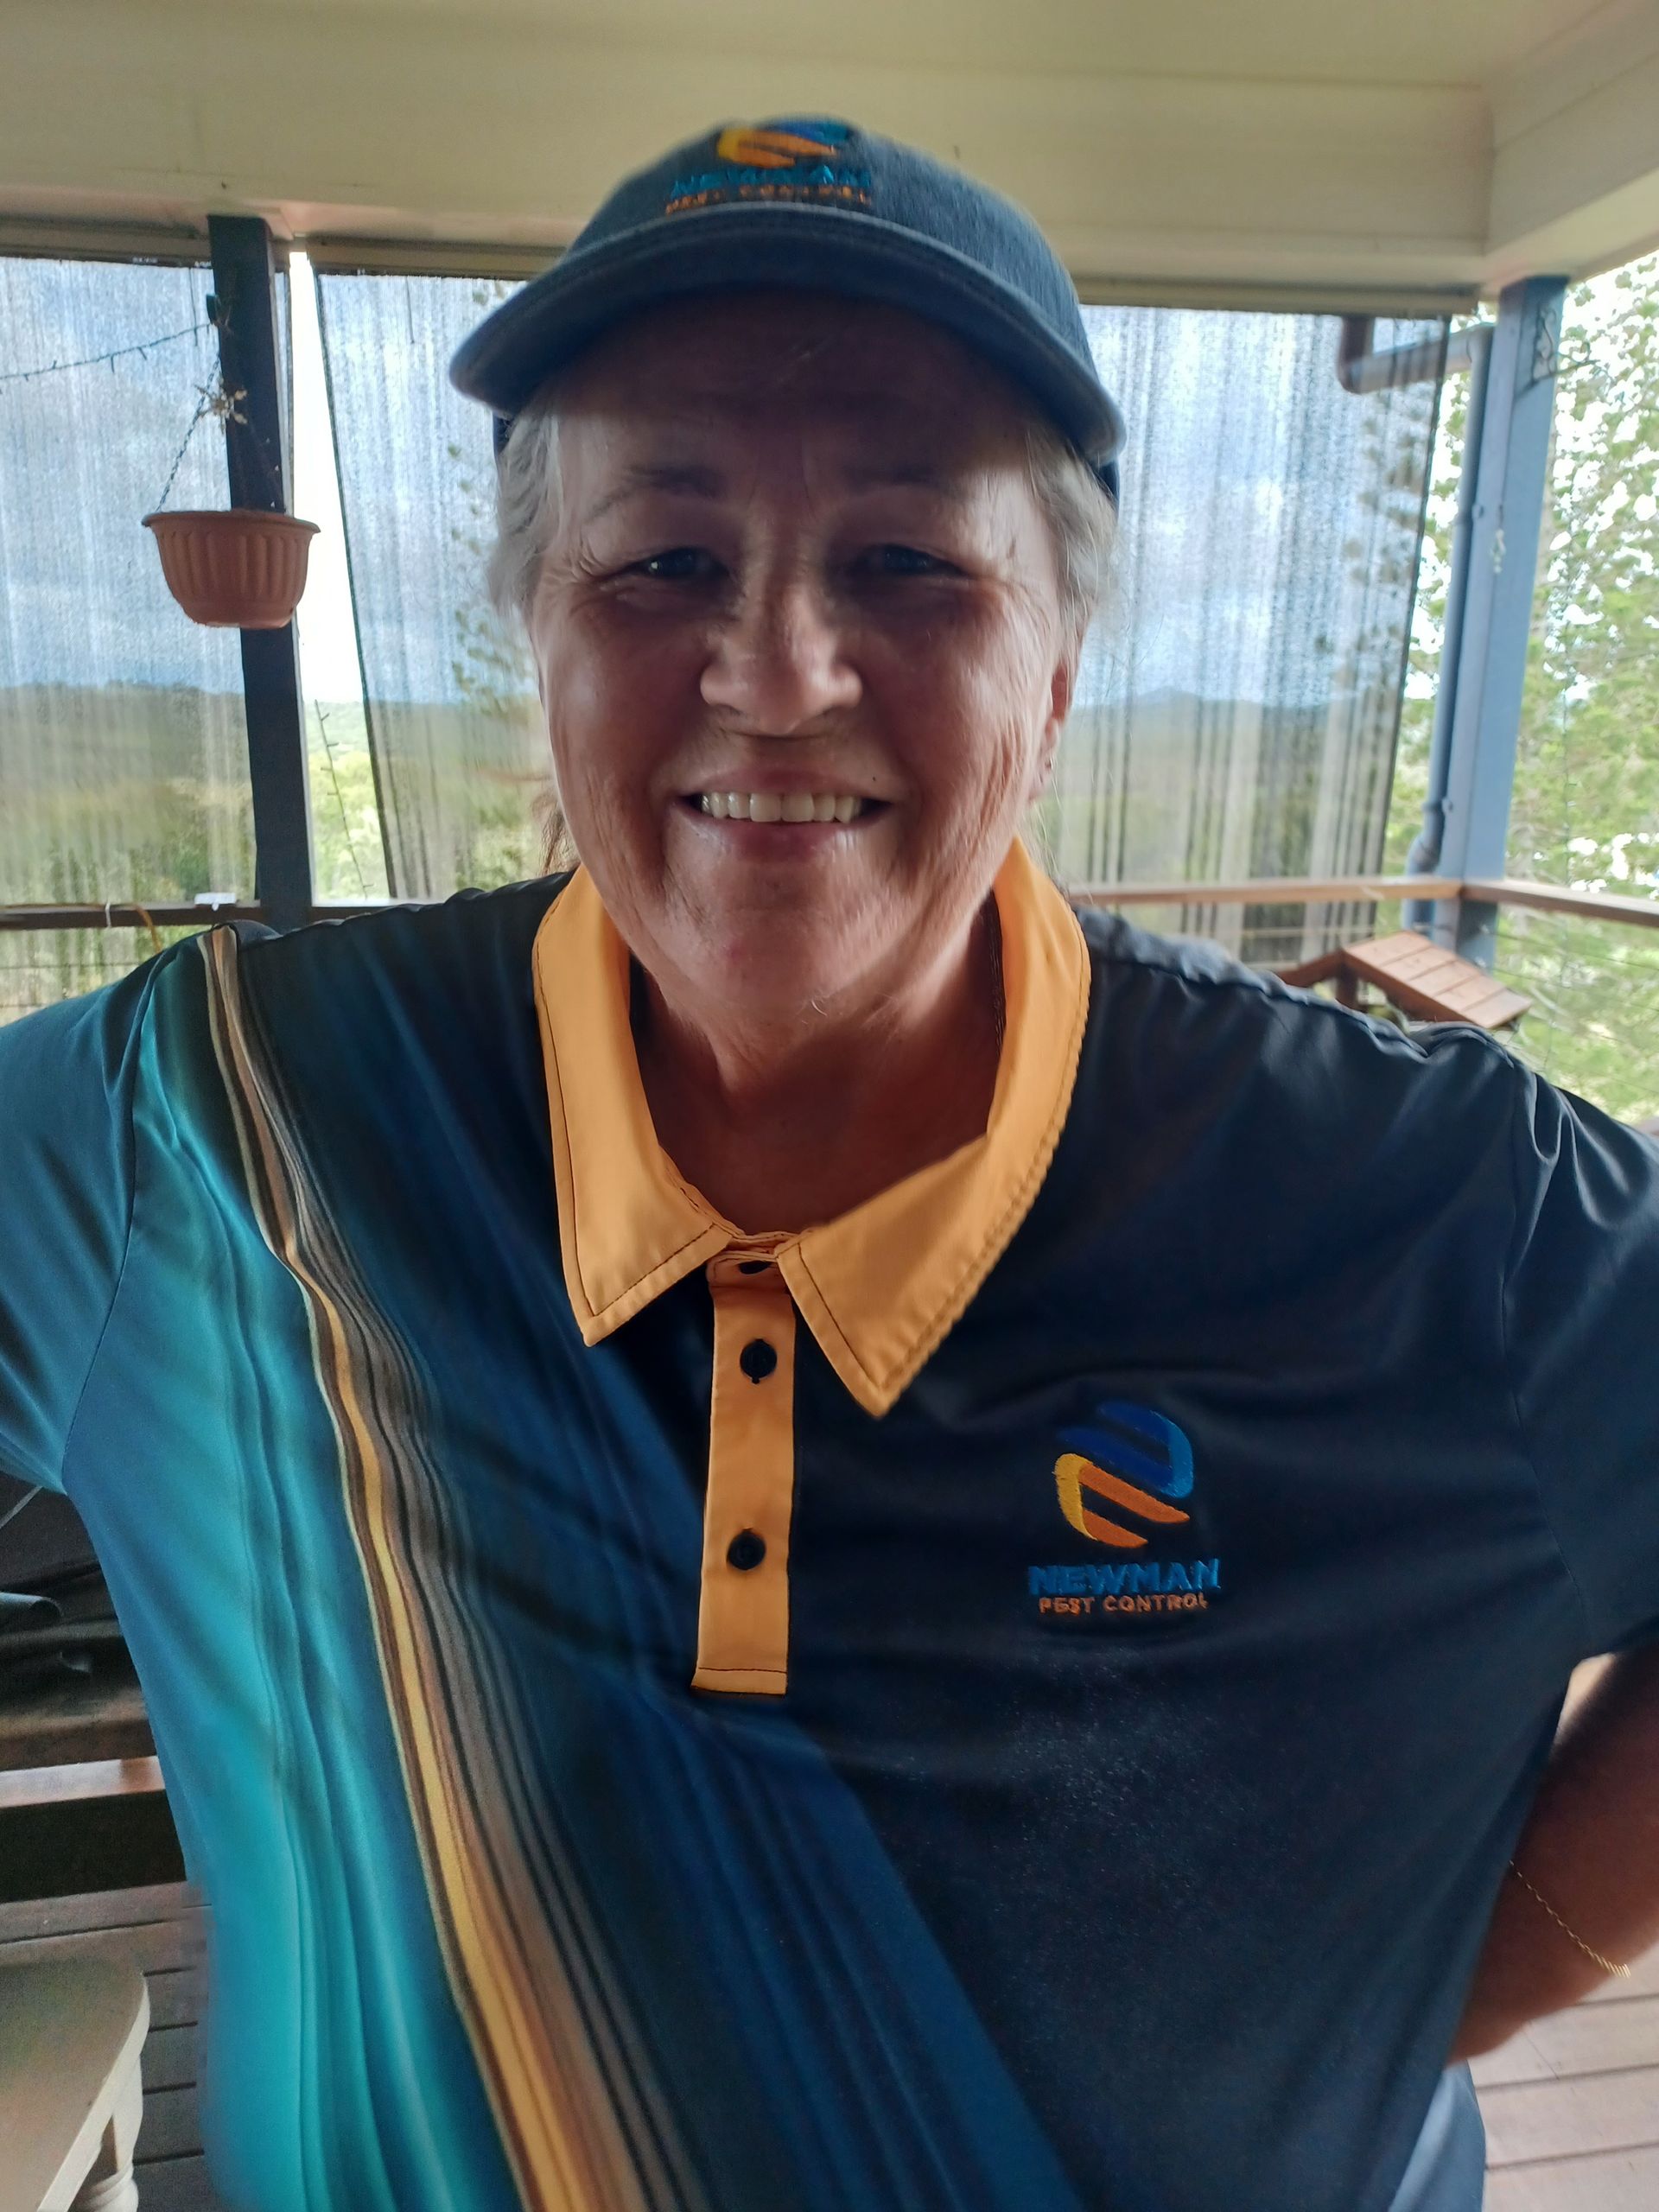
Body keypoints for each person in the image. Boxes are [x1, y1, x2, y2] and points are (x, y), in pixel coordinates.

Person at [2, 115, 1657, 2212]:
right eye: (661, 562)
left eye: (907, 563)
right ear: (540, 632)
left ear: (1055, 669)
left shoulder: (1437, 1199)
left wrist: (1482, 1968)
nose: (776, 678)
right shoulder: (208, 1123)